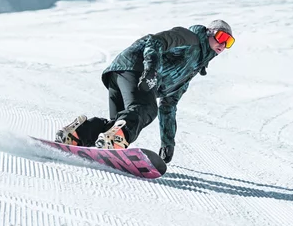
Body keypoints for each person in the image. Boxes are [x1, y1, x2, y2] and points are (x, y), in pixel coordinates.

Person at [54, 19, 235, 164]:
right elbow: (156, 41)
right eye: (221, 37)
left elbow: (168, 106)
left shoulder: (189, 71)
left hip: (120, 74)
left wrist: (168, 143)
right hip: (135, 67)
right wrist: (151, 71)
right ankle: (108, 139)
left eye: (229, 42)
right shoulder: (190, 38)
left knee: (117, 127)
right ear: (208, 33)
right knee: (145, 110)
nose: (224, 44)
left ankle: (77, 134)